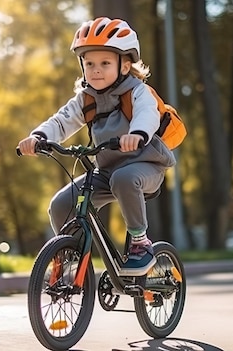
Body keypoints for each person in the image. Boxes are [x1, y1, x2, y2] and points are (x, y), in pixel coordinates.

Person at [17, 17, 176, 276]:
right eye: (89, 63)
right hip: (107, 171)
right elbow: (62, 120)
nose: (96, 70)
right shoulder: (86, 99)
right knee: (61, 204)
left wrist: (137, 133)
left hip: (145, 165)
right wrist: (38, 137)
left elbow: (147, 115)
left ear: (124, 65)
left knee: (124, 179)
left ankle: (140, 242)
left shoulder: (137, 92)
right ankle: (73, 256)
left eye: (104, 63)